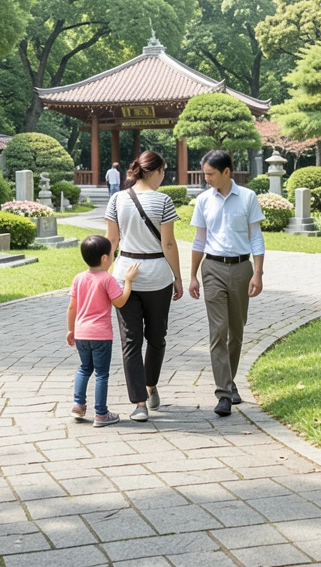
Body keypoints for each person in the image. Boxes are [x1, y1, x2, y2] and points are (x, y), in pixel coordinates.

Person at [105, 151, 183, 422]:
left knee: (131, 341)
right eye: (163, 172)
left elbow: (111, 241)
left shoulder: (117, 199)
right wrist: (178, 278)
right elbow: (168, 243)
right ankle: (145, 392)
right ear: (155, 171)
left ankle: (143, 397)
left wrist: (102, 274)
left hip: (124, 274)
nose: (164, 177)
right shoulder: (163, 201)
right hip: (158, 277)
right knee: (156, 337)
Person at [187, 150, 265, 417]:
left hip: (242, 268)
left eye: (210, 174)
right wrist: (192, 275)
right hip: (212, 268)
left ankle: (230, 382)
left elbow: (256, 237)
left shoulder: (248, 197)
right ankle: (223, 393)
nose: (206, 178)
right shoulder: (203, 200)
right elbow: (199, 240)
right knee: (218, 330)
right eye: (205, 173)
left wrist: (258, 273)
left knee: (236, 331)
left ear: (226, 172)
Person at [67, 235, 138, 428]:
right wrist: (128, 281)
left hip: (81, 334)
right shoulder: (107, 279)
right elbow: (120, 302)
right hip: (101, 336)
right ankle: (101, 414)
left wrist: (71, 330)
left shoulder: (79, 278)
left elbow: (72, 307)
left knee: (84, 368)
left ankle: (78, 404)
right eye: (112, 253)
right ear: (104, 258)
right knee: (101, 374)